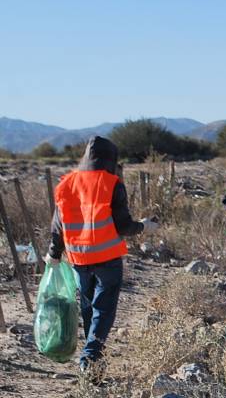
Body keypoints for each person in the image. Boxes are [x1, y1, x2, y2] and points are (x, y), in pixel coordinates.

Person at [44, 136, 158, 373]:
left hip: (78, 259)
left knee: (89, 308)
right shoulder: (112, 183)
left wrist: (54, 254)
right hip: (106, 259)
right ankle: (90, 357)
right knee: (103, 310)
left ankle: (94, 360)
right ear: (110, 159)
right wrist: (144, 226)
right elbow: (123, 225)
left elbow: (58, 226)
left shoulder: (66, 183)